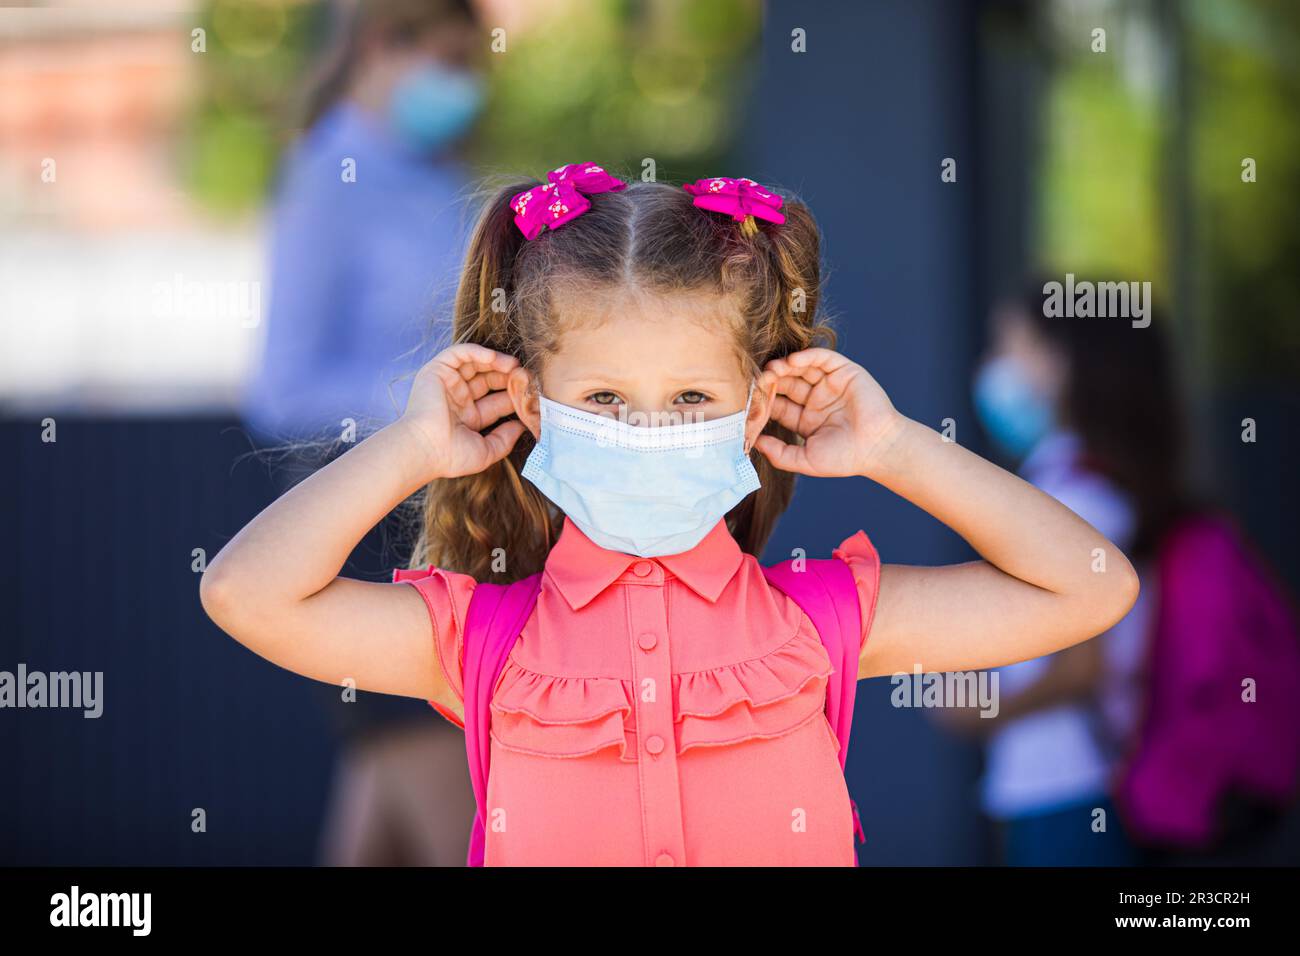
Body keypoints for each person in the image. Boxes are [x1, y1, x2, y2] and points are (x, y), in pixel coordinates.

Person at [202, 168, 1139, 866]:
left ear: (755, 407)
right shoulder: (480, 638)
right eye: (604, 396)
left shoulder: (817, 624)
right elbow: (246, 593)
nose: (648, 425)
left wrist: (893, 446)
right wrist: (413, 445)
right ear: (532, 410)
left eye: (692, 395)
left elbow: (1091, 588)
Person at [238, 0, 487, 866]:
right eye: (444, 60)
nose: (459, 85)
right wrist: (428, 407)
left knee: (385, 799)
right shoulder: (324, 175)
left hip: (452, 515)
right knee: (464, 819)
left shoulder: (433, 176)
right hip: (367, 517)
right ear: (382, 44)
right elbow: (282, 387)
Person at [937, 278, 1176, 865]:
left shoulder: (1078, 496)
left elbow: (1081, 666)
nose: (993, 368)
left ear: (1064, 361)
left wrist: (979, 710)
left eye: (1010, 345)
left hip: (1071, 788)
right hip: (1064, 785)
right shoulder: (1080, 482)